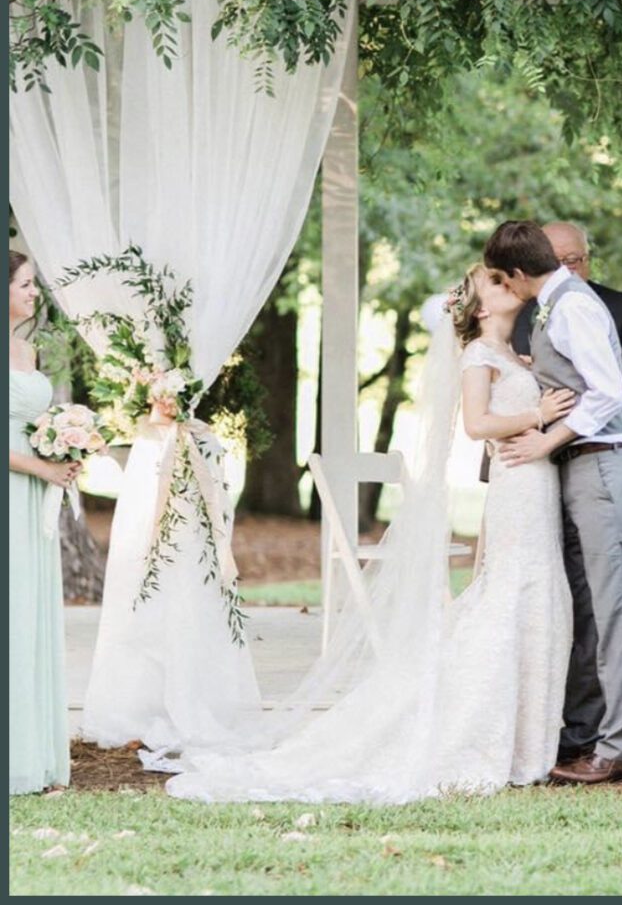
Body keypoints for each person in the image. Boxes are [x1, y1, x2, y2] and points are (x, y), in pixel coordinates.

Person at [164, 264, 575, 803]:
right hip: (517, 483)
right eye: (496, 283)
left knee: (532, 591)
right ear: (480, 309)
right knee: (510, 593)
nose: (508, 285)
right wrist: (536, 412)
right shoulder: (478, 357)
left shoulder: (509, 356)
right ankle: (483, 732)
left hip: (533, 480)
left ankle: (528, 741)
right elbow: (476, 425)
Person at [485, 220, 622, 785]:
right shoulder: (561, 303)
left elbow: (609, 392)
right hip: (584, 468)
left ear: (517, 273)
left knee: (614, 611)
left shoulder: (573, 306)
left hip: (604, 464)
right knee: (596, 611)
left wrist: (545, 440)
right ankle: (600, 737)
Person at [9, 251, 79, 795]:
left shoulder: (28, 350)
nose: (35, 294)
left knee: (28, 613)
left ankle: (30, 753)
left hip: (32, 492)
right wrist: (41, 465)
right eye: (27, 284)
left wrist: (67, 442)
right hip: (16, 482)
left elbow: (32, 423)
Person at [513, 222, 622, 393]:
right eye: (551, 262)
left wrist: (578, 378)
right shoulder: (517, 305)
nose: (561, 272)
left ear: (586, 259)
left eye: (571, 261)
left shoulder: (618, 304)